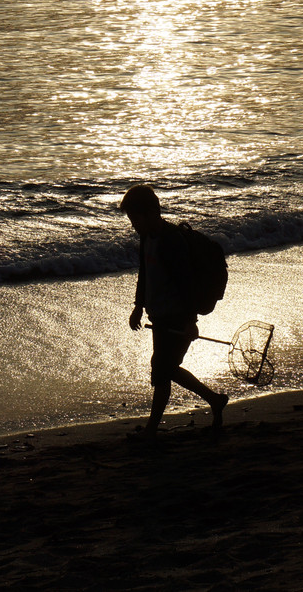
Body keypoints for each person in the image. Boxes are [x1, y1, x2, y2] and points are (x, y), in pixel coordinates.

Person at [121, 183, 228, 437]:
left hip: (178, 316)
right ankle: (214, 401)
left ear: (150, 214)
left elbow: (186, 283)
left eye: (135, 219)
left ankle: (152, 429)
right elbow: (145, 274)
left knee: (163, 369)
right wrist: (138, 307)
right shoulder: (146, 237)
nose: (133, 225)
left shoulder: (172, 241)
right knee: (164, 370)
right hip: (159, 315)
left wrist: (191, 321)